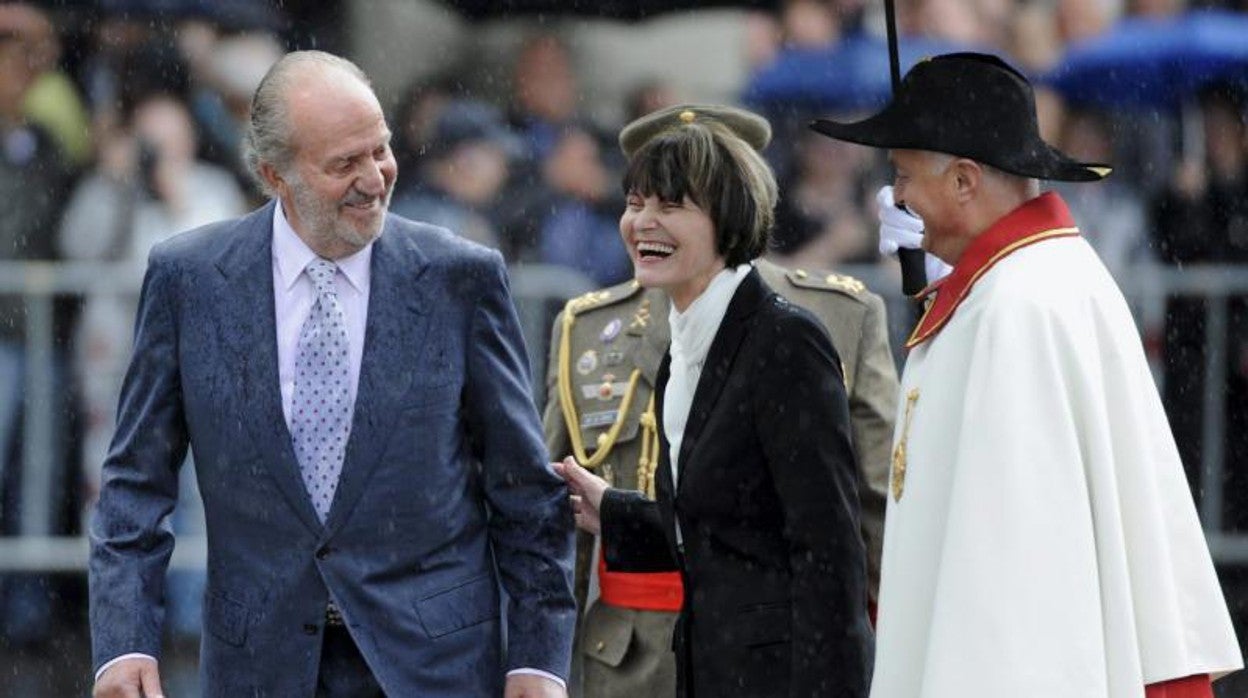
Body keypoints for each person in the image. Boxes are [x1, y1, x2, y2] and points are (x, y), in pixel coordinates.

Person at [89, 51, 575, 698]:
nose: (375, 179)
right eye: (344, 163)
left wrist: (538, 661)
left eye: (381, 150)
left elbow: (524, 489)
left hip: (434, 666)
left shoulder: (461, 278)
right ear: (274, 174)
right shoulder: (191, 280)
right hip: (260, 665)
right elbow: (134, 483)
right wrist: (123, 643)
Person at [811, 52, 1242, 697]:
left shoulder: (1017, 307)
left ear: (963, 181)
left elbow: (1017, 568)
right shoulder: (1020, 283)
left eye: (902, 175)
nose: (893, 196)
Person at [543, 109, 897, 698]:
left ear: (729, 218)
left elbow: (828, 550)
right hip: (686, 665)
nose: (642, 223)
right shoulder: (687, 342)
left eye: (671, 205)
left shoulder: (785, 338)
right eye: (636, 202)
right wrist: (617, 512)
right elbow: (724, 523)